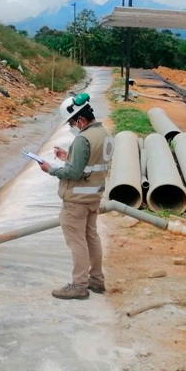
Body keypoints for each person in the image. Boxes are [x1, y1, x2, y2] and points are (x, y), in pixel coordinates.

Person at [38, 93, 113, 300]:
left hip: (76, 201)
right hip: (93, 198)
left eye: (72, 122)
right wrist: (68, 156)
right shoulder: (104, 133)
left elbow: (73, 173)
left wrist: (50, 169)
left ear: (80, 119)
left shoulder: (82, 139)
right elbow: (90, 162)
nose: (72, 126)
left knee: (77, 242)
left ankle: (79, 285)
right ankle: (96, 280)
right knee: (91, 237)